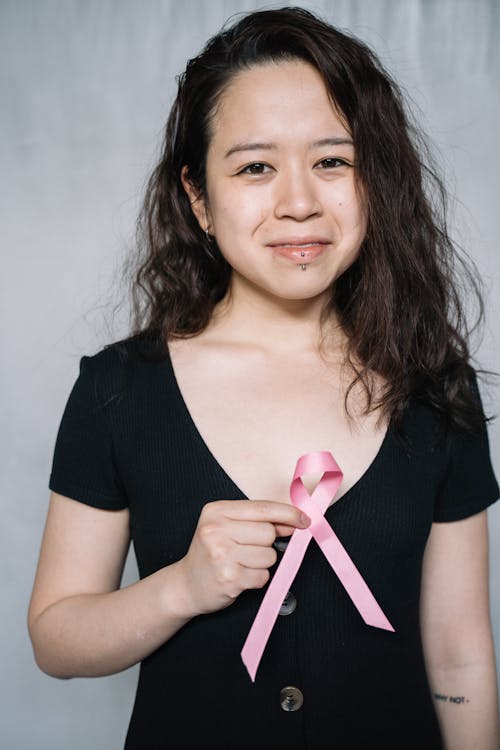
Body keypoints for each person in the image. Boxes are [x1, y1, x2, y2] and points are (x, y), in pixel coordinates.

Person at [28, 6, 500, 749]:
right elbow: (55, 640)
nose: (299, 202)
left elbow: (459, 649)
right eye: (254, 167)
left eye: (332, 161)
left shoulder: (436, 387)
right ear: (197, 198)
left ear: (373, 179)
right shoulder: (117, 390)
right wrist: (180, 587)